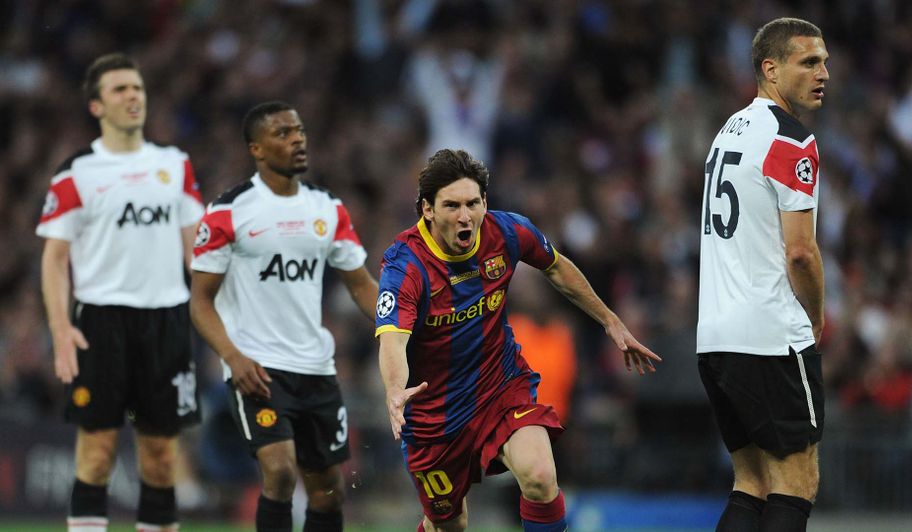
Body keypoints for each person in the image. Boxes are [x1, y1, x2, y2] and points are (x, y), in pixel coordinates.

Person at [375, 148, 661, 532]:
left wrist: (609, 320)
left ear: (485, 202)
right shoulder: (405, 265)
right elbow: (393, 338)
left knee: (540, 476)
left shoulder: (506, 232)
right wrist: (395, 390)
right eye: (452, 205)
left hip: (500, 387)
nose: (465, 216)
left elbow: (556, 266)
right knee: (449, 523)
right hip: (434, 415)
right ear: (427, 209)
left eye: (473, 203)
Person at [189, 101, 379, 532]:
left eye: (299, 130)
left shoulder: (328, 209)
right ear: (256, 149)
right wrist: (232, 357)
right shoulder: (227, 213)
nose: (297, 139)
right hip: (257, 367)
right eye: (282, 133)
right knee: (278, 471)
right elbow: (200, 301)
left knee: (327, 487)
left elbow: (361, 284)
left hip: (315, 368)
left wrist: (402, 325)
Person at [37, 52, 204, 532]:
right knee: (96, 453)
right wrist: (60, 327)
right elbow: (54, 258)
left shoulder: (175, 165)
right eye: (119, 89)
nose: (133, 96)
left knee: (160, 459)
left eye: (138, 88)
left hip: (167, 321)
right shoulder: (76, 173)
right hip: (100, 322)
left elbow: (197, 252)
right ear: (96, 106)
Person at [696, 18, 829, 532]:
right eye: (809, 61)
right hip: (770, 337)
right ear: (770, 69)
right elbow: (800, 252)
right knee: (796, 483)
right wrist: (816, 316)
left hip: (716, 338)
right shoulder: (792, 139)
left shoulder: (727, 132)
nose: (823, 73)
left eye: (825, 62)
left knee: (750, 483)